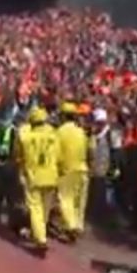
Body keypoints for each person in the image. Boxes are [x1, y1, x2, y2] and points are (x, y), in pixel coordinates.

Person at [17, 107, 60, 257]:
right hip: (51, 176)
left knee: (35, 209)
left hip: (33, 177)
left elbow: (18, 155)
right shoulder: (54, 136)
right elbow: (59, 156)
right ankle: (41, 232)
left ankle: (41, 238)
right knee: (45, 209)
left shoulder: (25, 137)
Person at [56, 103, 90, 242]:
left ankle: (71, 228)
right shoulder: (80, 131)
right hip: (82, 168)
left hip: (67, 169)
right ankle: (78, 225)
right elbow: (89, 149)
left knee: (65, 199)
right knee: (78, 201)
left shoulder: (60, 131)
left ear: (63, 115)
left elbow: (56, 152)